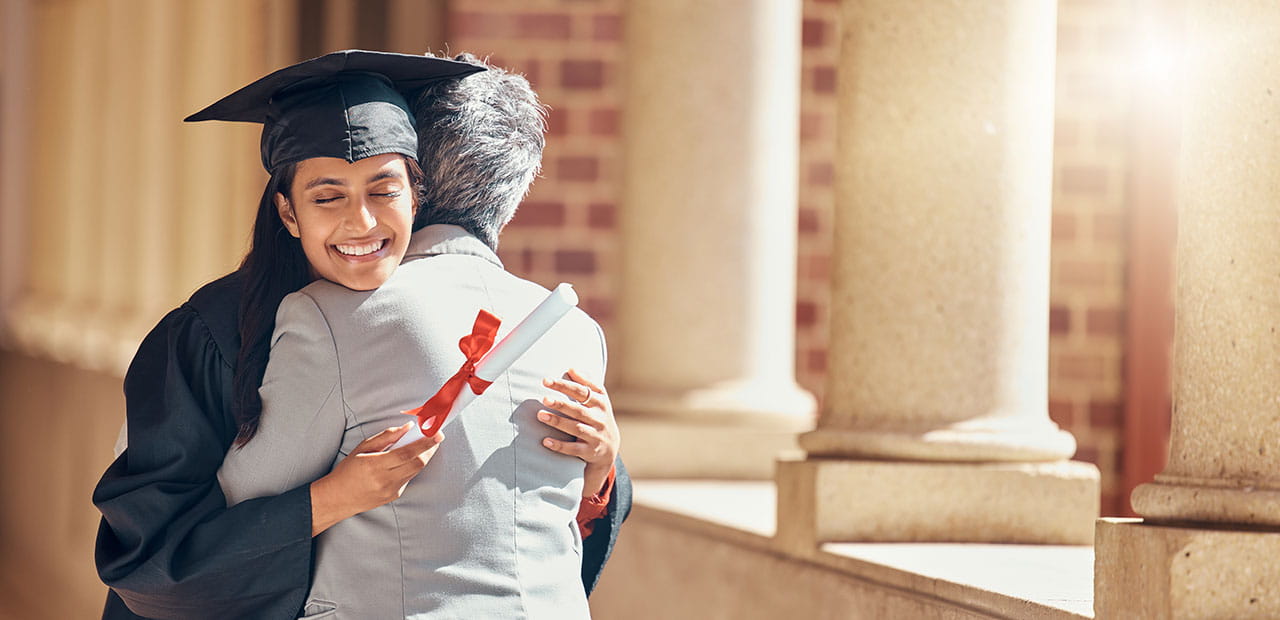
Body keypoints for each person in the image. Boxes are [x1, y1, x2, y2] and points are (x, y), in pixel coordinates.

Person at [92, 50, 628, 620]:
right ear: (288, 212)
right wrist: (330, 499)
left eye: (384, 190)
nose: (362, 223)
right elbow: (152, 557)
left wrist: (602, 466)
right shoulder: (211, 332)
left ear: (416, 194)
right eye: (327, 197)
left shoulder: (456, 314)